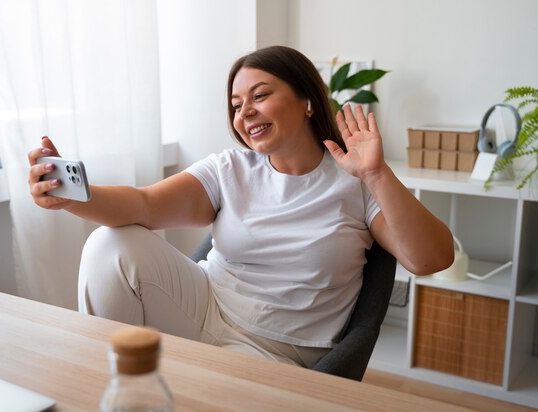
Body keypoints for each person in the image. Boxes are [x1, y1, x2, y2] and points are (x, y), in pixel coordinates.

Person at [28, 45, 454, 368]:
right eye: (236, 105)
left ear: (307, 100)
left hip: (279, 348)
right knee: (109, 246)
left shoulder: (355, 180)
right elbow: (144, 204)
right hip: (203, 305)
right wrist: (73, 197)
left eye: (260, 96)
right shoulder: (230, 168)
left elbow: (431, 258)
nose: (245, 113)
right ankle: (116, 386)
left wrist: (377, 174)